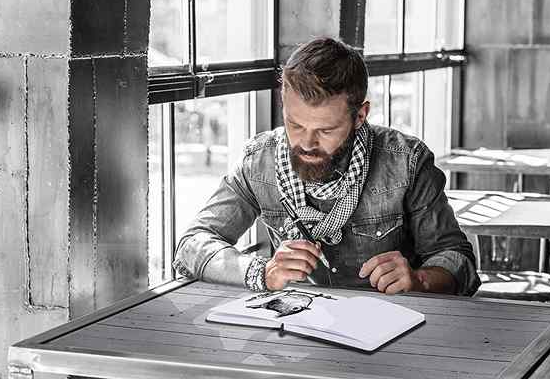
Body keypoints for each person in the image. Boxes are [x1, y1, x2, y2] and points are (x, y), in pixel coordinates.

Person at [173, 37, 480, 296]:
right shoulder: (259, 162)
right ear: (284, 104)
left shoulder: (407, 162)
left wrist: (419, 279)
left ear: (360, 116)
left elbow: (459, 261)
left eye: (325, 130)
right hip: (295, 328)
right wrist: (261, 272)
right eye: (295, 124)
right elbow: (191, 246)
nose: (306, 143)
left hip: (398, 331)